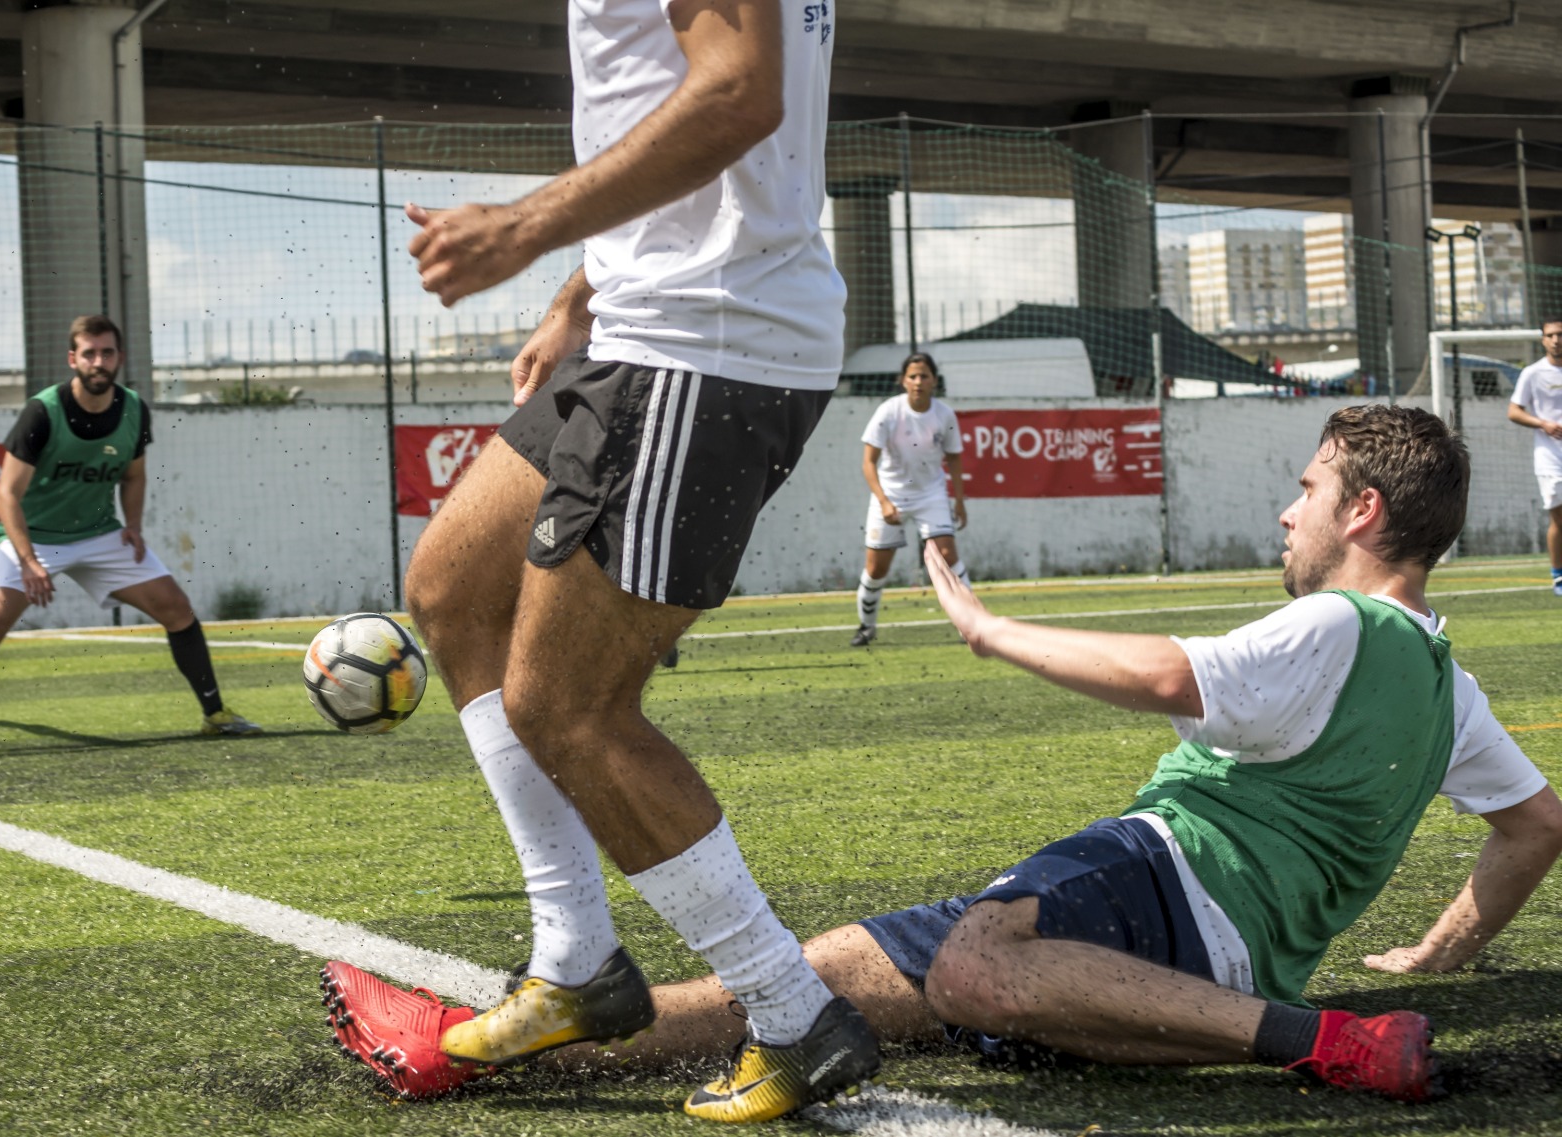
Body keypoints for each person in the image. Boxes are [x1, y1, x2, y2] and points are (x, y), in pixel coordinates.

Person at [323, 405, 1562, 1107]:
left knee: (974, 962)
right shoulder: (1448, 684)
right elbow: (1534, 826)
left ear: (1362, 515)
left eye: (1307, 489)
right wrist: (1444, 950)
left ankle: (1324, 1044)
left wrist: (987, 626)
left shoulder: (1337, 621)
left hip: (1166, 880)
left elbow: (1169, 676)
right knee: (817, 983)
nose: (1287, 512)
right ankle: (456, 1045)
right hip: (1212, 948)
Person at [321, 0, 878, 1123]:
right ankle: (577, 956)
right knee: (452, 589)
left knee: (568, 709)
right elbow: (678, 105)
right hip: (639, 326)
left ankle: (794, 1016)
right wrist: (580, 292)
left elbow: (740, 94)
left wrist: (525, 227)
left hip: (707, 346)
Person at [0, 315, 260, 756]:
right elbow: (7, 495)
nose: (99, 362)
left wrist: (133, 527)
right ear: (73, 359)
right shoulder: (43, 412)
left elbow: (134, 476)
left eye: (107, 352)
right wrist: (28, 560)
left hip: (100, 535)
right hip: (35, 537)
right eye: (90, 353)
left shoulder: (134, 409)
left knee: (177, 608)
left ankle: (215, 715)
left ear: (119, 357)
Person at [852, 351, 969, 647]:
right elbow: (868, 463)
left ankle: (971, 625)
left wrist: (959, 500)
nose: (918, 381)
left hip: (931, 494)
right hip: (890, 495)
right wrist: (884, 502)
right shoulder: (888, 412)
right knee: (877, 568)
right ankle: (866, 627)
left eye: (924, 376)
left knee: (947, 556)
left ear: (934, 381)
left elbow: (954, 459)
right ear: (903, 381)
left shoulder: (944, 414)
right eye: (913, 376)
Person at [1506, 317, 1562, 595]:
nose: (1556, 340)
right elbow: (1514, 411)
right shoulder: (1532, 373)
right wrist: (1544, 424)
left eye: (1560, 334)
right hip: (1550, 458)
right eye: (1551, 335)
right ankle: (1558, 576)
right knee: (1559, 518)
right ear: (1543, 339)